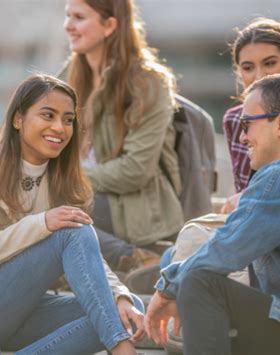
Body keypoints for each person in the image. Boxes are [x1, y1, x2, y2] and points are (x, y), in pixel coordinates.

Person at [0, 74, 145, 354]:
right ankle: (123, 349)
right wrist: (42, 224)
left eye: (67, 119)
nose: (59, 127)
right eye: (48, 115)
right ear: (18, 119)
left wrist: (120, 295)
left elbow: (88, 257)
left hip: (24, 313)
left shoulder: (64, 183)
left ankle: (116, 337)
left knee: (129, 309)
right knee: (72, 235)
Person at [144, 73, 280, 354]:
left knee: (199, 282)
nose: (243, 136)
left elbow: (224, 251)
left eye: (247, 124)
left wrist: (166, 289)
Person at [62, 0, 184, 273]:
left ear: (110, 25)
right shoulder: (68, 76)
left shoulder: (148, 82)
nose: (68, 25)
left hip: (133, 208)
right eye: (67, 15)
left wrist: (67, 177)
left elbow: (135, 170)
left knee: (46, 207)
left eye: (79, 17)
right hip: (83, 196)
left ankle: (135, 257)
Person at [222, 17, 280, 212]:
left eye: (270, 63)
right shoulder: (235, 120)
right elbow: (243, 186)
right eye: (248, 68)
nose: (260, 76)